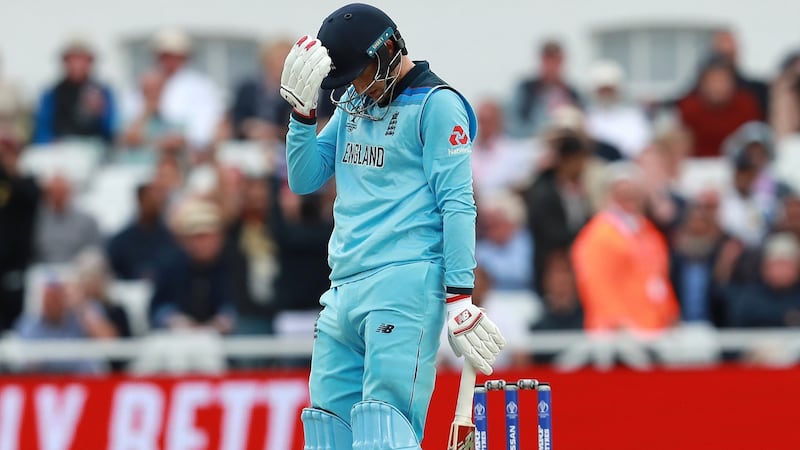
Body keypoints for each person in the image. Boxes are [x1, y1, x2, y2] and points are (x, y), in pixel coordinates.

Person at [278, 4, 505, 448]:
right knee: (325, 433)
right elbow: (304, 178)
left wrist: (460, 296)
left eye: (358, 73)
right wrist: (303, 117)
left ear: (387, 50)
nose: (354, 87)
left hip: (404, 288)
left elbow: (458, 204)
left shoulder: (438, 106)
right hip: (342, 287)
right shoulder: (354, 105)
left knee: (385, 429)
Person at [571, 161, 680, 334]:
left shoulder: (649, 232)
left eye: (633, 194)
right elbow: (597, 285)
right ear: (609, 195)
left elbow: (659, 279)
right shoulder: (599, 235)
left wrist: (671, 314)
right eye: (622, 194)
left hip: (654, 327)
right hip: (617, 333)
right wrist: (617, 322)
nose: (629, 201)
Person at [148, 196, 237, 332]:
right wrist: (174, 319)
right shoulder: (171, 266)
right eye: (197, 237)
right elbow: (156, 308)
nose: (203, 243)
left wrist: (223, 320)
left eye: (208, 235)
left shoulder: (233, 264)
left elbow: (238, 305)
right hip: (179, 340)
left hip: (225, 340)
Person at [31, 37, 116, 145]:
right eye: (72, 59)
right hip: (60, 150)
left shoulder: (103, 92)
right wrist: (50, 142)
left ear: (90, 62)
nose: (77, 65)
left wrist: (101, 112)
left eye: (82, 59)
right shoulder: (52, 93)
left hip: (94, 148)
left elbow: (111, 130)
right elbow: (42, 129)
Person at [675, 55, 761, 157]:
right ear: (702, 84)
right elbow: (682, 147)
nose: (717, 87)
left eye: (722, 80)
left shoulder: (746, 105)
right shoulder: (689, 108)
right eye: (713, 81)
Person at [0, 134, 40, 331]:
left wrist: (11, 170)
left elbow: (31, 199)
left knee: (14, 320)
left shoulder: (27, 182)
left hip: (15, 262)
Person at [505, 39, 582, 138]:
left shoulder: (573, 93)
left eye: (555, 60)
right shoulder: (526, 90)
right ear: (541, 61)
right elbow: (513, 123)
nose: (551, 66)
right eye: (548, 60)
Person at [107, 181, 176, 280]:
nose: (154, 203)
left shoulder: (170, 239)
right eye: (150, 199)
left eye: (158, 200)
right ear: (140, 200)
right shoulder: (120, 241)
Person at [584, 60, 651, 159]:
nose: (606, 94)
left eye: (609, 89)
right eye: (602, 90)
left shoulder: (633, 117)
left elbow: (641, 146)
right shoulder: (586, 118)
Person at [33, 174, 101, 264]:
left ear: (70, 192)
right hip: (42, 272)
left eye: (61, 191)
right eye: (53, 192)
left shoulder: (87, 221)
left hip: (77, 273)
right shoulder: (35, 220)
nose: (57, 196)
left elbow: (95, 251)